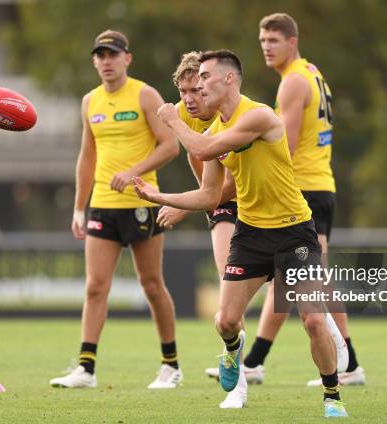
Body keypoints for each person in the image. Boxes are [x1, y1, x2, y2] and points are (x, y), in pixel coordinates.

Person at [134, 49, 348, 417]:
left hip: (294, 232)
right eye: (195, 79)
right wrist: (158, 196)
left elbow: (200, 146)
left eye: (205, 77)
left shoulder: (259, 116)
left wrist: (173, 121)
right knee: (225, 321)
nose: (198, 85)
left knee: (312, 320)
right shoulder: (216, 129)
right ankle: (234, 351)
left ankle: (332, 397)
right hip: (250, 235)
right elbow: (210, 195)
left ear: (229, 79)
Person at [49, 29, 182, 390]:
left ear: (127, 58)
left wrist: (134, 172)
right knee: (95, 287)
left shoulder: (144, 94)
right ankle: (86, 368)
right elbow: (87, 157)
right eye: (100, 55)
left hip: (142, 203)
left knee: (152, 285)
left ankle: (171, 365)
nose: (106, 61)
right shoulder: (89, 101)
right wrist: (79, 208)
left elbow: (171, 145)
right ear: (94, 60)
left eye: (113, 54)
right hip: (103, 208)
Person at [248, 12, 365, 387]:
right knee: (297, 279)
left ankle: (348, 366)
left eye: (274, 41)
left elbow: (288, 146)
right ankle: (255, 361)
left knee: (308, 281)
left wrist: (264, 182)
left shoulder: (293, 82)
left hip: (304, 189)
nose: (266, 47)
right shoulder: (310, 71)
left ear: (292, 42)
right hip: (318, 186)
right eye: (263, 40)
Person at [157, 51, 246, 409]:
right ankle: (238, 383)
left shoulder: (238, 116)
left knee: (302, 294)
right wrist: (198, 204)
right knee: (230, 300)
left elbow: (239, 181)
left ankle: (335, 350)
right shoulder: (184, 116)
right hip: (224, 206)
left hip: (266, 207)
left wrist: (182, 206)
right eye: (184, 92)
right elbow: (211, 188)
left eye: (198, 89)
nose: (191, 99)